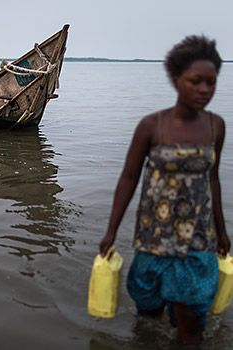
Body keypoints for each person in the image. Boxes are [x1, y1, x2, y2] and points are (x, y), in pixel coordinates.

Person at [99, 35, 231, 346]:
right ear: (175, 79)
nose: (204, 90)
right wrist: (111, 232)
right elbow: (129, 177)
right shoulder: (152, 126)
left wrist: (222, 231)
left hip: (197, 238)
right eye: (195, 81)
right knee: (148, 309)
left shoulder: (216, 126)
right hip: (153, 234)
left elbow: (213, 179)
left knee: (191, 323)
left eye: (211, 83)